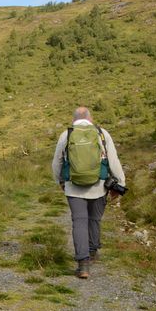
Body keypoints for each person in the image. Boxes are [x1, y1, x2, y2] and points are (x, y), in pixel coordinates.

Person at [52, 106, 125, 279]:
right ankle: (92, 252)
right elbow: (113, 160)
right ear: (90, 118)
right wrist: (120, 183)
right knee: (94, 219)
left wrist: (60, 182)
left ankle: (83, 265)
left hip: (74, 187)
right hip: (99, 186)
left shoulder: (66, 135)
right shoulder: (102, 133)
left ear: (74, 119)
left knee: (79, 222)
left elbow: (57, 162)